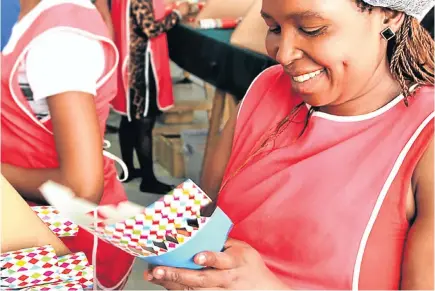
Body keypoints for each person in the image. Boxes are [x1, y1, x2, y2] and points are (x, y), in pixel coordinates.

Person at [144, 0, 434, 289]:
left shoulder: (425, 135)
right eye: (273, 27)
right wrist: (182, 264)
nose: (283, 54)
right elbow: (203, 225)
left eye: (312, 29)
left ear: (391, 14)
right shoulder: (264, 90)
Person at [1, 0, 134, 289]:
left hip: (61, 240)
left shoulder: (60, 41)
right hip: (29, 221)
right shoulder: (35, 15)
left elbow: (81, 188)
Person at [111, 0, 191, 194]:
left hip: (128, 60)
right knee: (144, 122)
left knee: (129, 118)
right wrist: (179, 14)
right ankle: (148, 180)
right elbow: (150, 28)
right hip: (141, 64)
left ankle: (128, 169)